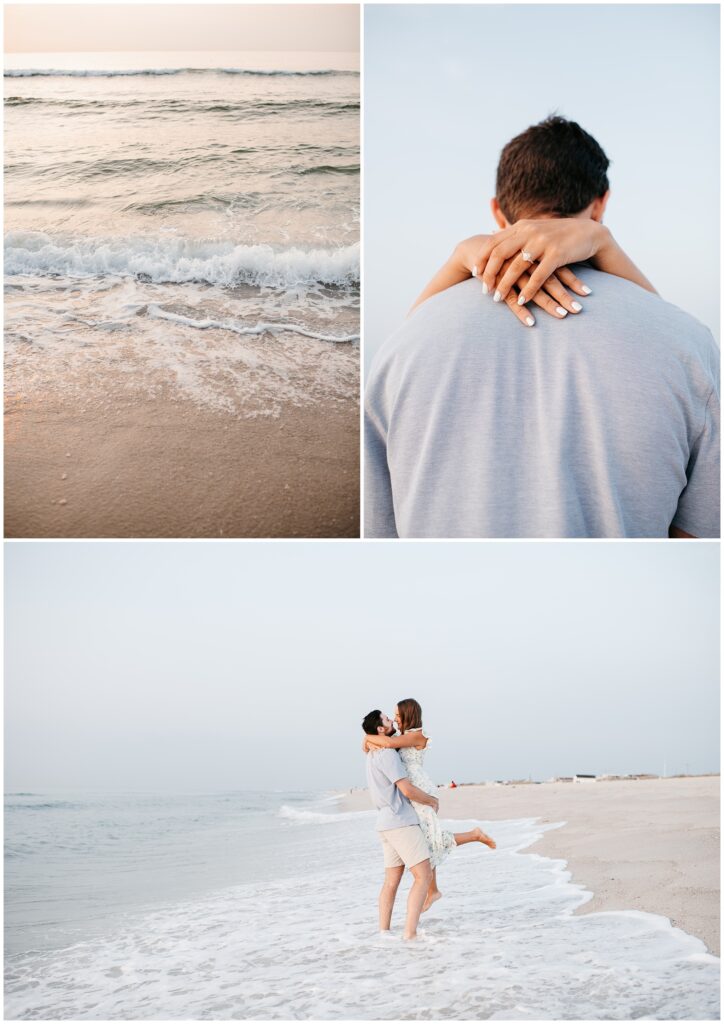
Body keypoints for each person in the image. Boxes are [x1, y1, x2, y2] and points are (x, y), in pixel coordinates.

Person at [365, 116, 720, 539]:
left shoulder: (405, 346)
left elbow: (381, 533)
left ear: (497, 211)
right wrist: (604, 242)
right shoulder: (687, 343)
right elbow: (698, 541)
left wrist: (458, 259)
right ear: (601, 203)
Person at [364, 699, 495, 912]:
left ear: (407, 715)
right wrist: (370, 738)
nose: (395, 719)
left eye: (397, 715)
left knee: (430, 839)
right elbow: (374, 745)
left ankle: (473, 837)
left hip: (420, 791)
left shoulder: (416, 735)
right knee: (427, 839)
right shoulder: (401, 736)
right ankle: (434, 888)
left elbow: (385, 744)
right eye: (392, 717)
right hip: (410, 792)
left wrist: (369, 737)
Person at [361, 709, 437, 940]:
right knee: (423, 877)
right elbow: (406, 789)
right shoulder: (387, 753)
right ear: (381, 730)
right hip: (401, 821)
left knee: (391, 882)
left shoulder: (372, 754)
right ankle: (409, 934)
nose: (392, 720)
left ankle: (384, 932)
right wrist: (431, 800)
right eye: (386, 719)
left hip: (384, 823)